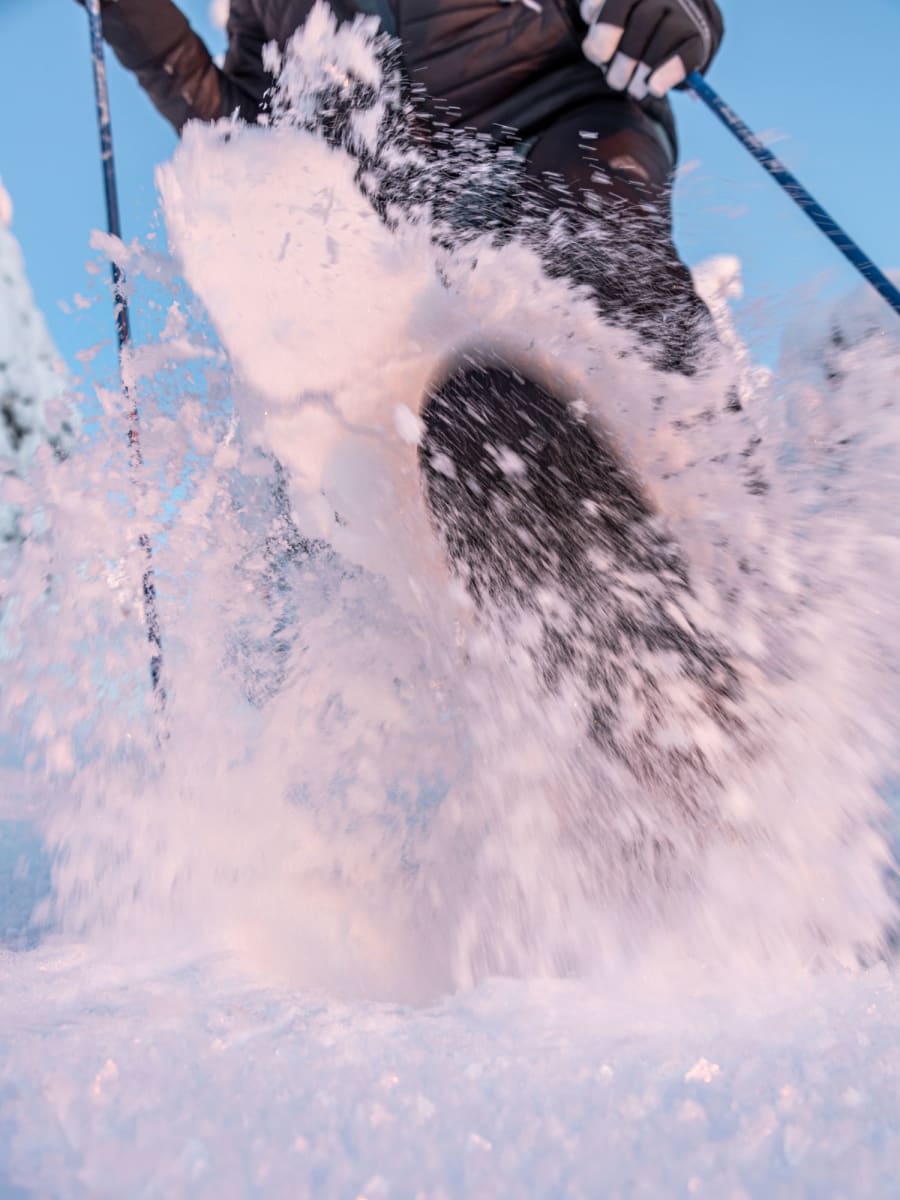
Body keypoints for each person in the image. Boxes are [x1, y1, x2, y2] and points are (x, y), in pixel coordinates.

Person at [77, 0, 723, 371]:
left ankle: (713, 489)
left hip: (562, 120)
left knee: (585, 233)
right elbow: (244, 130)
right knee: (381, 381)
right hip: (413, 216)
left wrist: (672, 12)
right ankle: (514, 506)